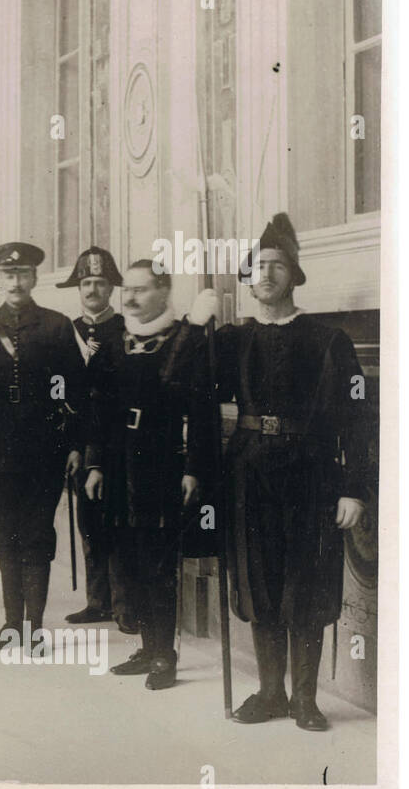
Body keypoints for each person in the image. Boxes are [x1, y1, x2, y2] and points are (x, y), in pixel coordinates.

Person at [203, 214, 371, 731]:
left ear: (294, 276)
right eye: (258, 266)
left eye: (278, 265)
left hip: (311, 475)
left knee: (306, 583)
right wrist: (195, 327)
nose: (267, 274)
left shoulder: (328, 341)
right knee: (260, 582)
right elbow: (185, 388)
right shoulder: (233, 340)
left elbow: (358, 418)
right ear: (248, 280)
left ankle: (304, 698)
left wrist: (353, 489)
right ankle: (270, 693)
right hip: (249, 474)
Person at [82, 261, 216, 690]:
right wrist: (96, 463)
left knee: (158, 564)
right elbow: (98, 409)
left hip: (163, 463)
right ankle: (145, 646)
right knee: (128, 559)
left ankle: (164, 655)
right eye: (128, 291)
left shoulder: (185, 342)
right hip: (120, 464)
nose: (131, 298)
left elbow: (202, 412)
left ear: (164, 291)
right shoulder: (113, 340)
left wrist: (195, 468)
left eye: (141, 290)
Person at [0, 243, 85, 650]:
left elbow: (75, 391)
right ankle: (12, 623)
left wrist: (75, 445)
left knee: (36, 534)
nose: (16, 282)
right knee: (6, 535)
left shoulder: (56, 326)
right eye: (8, 276)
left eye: (23, 275)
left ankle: (34, 626)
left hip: (44, 448)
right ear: (0, 279)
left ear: (34, 279)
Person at [58, 246, 126, 625]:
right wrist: (70, 444)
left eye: (100, 282)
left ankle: (124, 603)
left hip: (119, 442)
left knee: (119, 520)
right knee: (89, 521)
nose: (93, 289)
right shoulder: (66, 333)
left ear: (112, 288)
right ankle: (97, 600)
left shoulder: (126, 328)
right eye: (86, 282)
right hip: (81, 443)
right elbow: (60, 391)